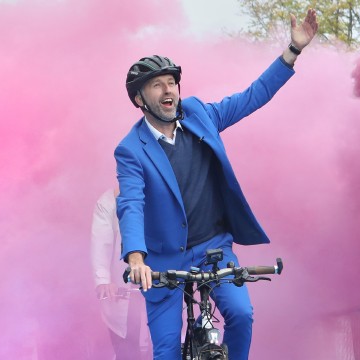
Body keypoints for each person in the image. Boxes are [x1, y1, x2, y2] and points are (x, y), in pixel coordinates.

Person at [116, 9, 319, 360]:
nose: (169, 91)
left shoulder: (199, 114)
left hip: (213, 248)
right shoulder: (131, 149)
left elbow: (252, 96)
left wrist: (293, 51)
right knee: (165, 351)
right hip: (163, 261)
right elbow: (130, 203)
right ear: (140, 99)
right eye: (157, 85)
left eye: (171, 83)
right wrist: (136, 258)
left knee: (241, 315)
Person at [91, 188, 151, 360]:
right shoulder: (108, 202)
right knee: (128, 351)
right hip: (123, 290)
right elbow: (101, 243)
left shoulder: (158, 193)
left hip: (157, 282)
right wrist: (103, 280)